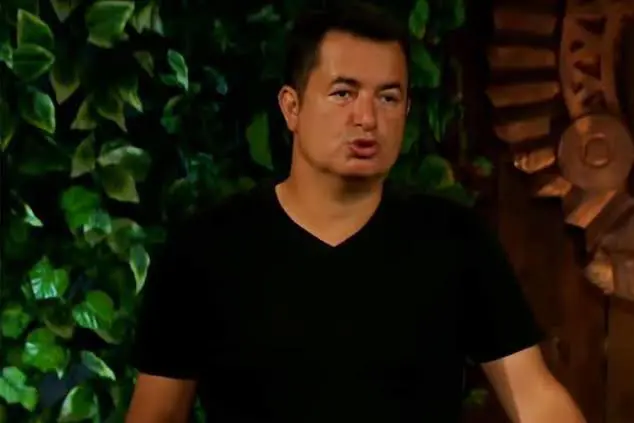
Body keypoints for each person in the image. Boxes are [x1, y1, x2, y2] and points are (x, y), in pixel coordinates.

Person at [125, 2, 586, 422]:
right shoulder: (206, 249)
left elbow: (535, 398)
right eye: (344, 93)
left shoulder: (455, 240)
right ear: (291, 107)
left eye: (388, 98)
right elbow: (156, 415)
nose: (367, 118)